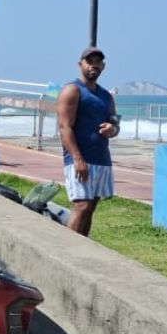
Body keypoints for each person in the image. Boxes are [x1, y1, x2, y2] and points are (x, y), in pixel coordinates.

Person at [57, 46, 119, 236]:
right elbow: (64, 127)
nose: (94, 65)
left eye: (98, 62)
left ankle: (83, 248)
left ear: (103, 66)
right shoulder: (72, 90)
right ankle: (68, 252)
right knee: (81, 205)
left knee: (90, 206)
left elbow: (114, 122)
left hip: (100, 159)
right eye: (89, 61)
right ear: (80, 64)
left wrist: (113, 129)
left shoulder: (106, 96)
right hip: (79, 160)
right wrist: (77, 158)